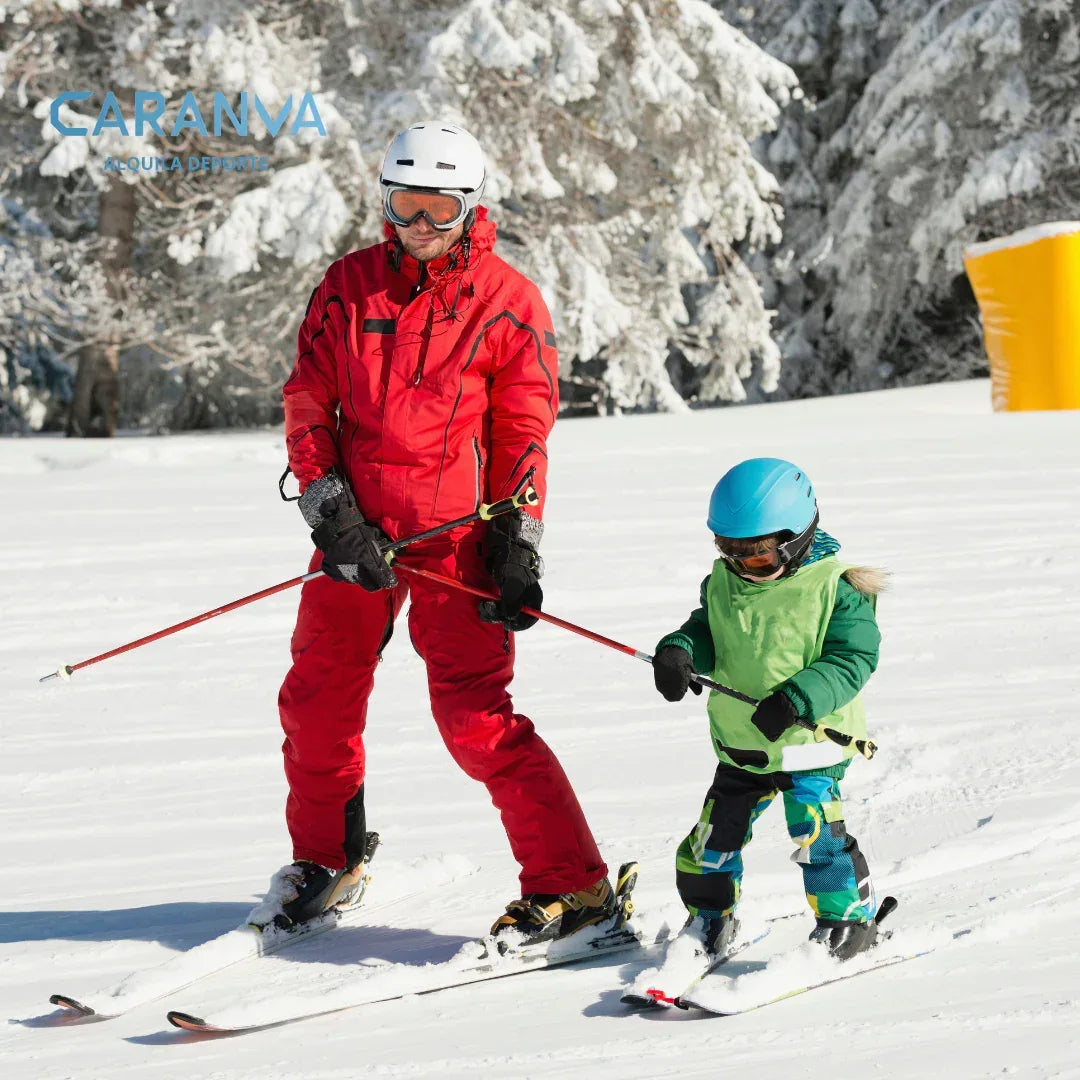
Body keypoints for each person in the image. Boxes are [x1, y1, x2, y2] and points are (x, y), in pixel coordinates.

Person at [260, 120, 611, 943]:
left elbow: (525, 430)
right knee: (316, 702)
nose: (420, 226)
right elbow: (308, 404)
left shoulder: (506, 299)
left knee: (476, 720)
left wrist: (515, 542)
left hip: (457, 540)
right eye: (406, 205)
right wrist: (331, 512)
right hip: (357, 539)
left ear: (470, 207)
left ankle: (576, 886)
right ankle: (325, 858)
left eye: (440, 208)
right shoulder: (347, 287)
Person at [651, 457, 887, 961]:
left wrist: (798, 697)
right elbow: (707, 628)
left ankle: (847, 921)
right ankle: (708, 921)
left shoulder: (838, 587)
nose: (742, 567)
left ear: (797, 537)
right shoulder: (724, 582)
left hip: (808, 746)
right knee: (710, 842)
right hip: (743, 747)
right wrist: (681, 651)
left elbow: (853, 659)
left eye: (756, 558)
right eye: (729, 552)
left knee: (816, 837)